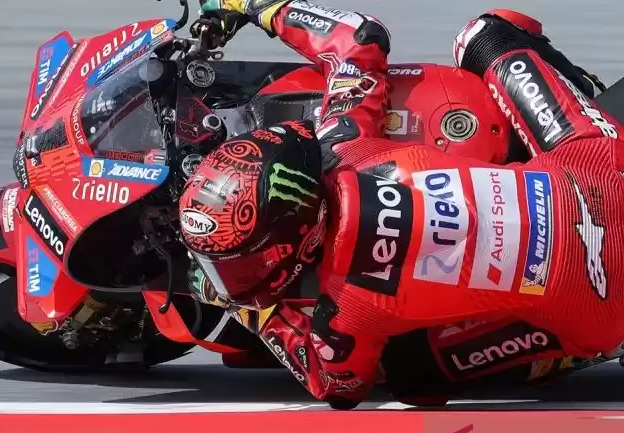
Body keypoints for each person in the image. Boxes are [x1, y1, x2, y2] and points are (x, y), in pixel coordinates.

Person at [180, 0, 624, 409]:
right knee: (484, 34)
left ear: (306, 233)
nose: (241, 275)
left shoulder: (348, 307)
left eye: (247, 263)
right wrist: (260, 7)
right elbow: (360, 38)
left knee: (411, 377)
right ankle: (583, 95)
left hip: (599, 309)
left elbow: (338, 386)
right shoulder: (345, 144)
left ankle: (564, 355)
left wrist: (254, 311)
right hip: (599, 168)